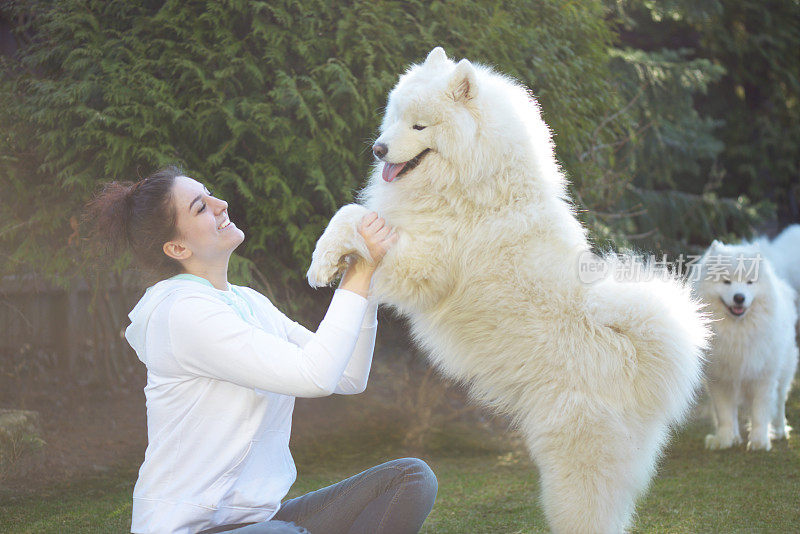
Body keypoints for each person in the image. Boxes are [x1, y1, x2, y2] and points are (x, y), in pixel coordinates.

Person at [83, 166, 438, 534]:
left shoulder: (247, 302)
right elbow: (313, 376)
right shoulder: (179, 311)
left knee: (410, 479)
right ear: (177, 248)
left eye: (210, 194)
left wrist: (361, 275)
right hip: (187, 530)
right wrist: (362, 269)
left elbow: (347, 375)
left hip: (258, 522)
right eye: (200, 207)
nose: (220, 204)